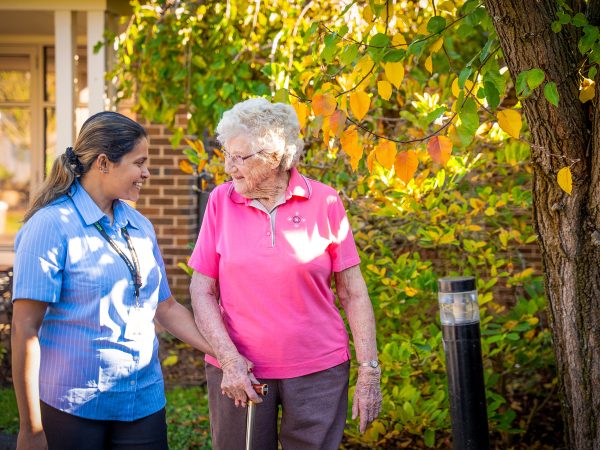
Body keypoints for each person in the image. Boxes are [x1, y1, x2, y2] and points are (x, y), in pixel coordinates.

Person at [10, 111, 239, 450]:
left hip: (143, 404)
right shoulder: (51, 226)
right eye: (139, 162)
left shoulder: (139, 225)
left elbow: (166, 307)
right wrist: (31, 428)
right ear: (104, 163)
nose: (146, 172)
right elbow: (24, 330)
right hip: (73, 407)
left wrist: (225, 353)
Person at [189, 98, 382, 450]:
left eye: (240, 157)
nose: (229, 167)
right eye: (227, 155)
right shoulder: (220, 202)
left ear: (275, 157)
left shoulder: (325, 202)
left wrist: (369, 370)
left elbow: (353, 292)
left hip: (318, 371)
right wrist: (228, 358)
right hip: (240, 370)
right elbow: (202, 290)